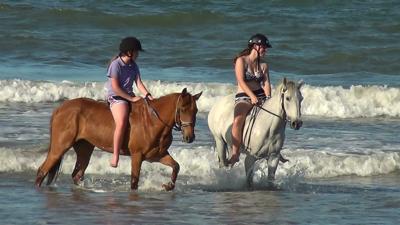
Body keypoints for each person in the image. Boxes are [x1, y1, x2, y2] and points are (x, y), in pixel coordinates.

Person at [105, 36, 154, 168]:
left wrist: (148, 95)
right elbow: (115, 87)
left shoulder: (134, 66)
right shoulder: (116, 65)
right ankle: (115, 155)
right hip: (116, 97)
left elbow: (139, 83)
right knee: (121, 122)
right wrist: (131, 99)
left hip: (129, 95)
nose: (138, 54)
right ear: (129, 52)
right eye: (136, 52)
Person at [229, 33, 272, 166]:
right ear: (255, 46)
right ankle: (235, 152)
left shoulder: (264, 65)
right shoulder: (241, 61)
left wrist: (268, 99)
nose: (265, 50)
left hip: (260, 96)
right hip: (244, 97)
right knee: (237, 120)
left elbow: (266, 84)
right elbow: (241, 81)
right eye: (264, 47)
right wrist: (252, 97)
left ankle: (273, 148)